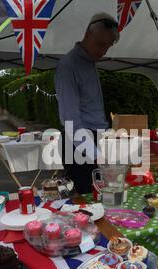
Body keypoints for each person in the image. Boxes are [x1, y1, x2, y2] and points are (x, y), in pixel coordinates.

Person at [54, 13, 120, 194]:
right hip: (78, 143)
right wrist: (98, 155)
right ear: (87, 35)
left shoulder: (90, 61)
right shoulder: (69, 65)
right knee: (85, 202)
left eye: (107, 46)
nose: (103, 51)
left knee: (101, 196)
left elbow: (92, 109)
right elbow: (71, 122)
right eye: (100, 44)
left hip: (94, 139)